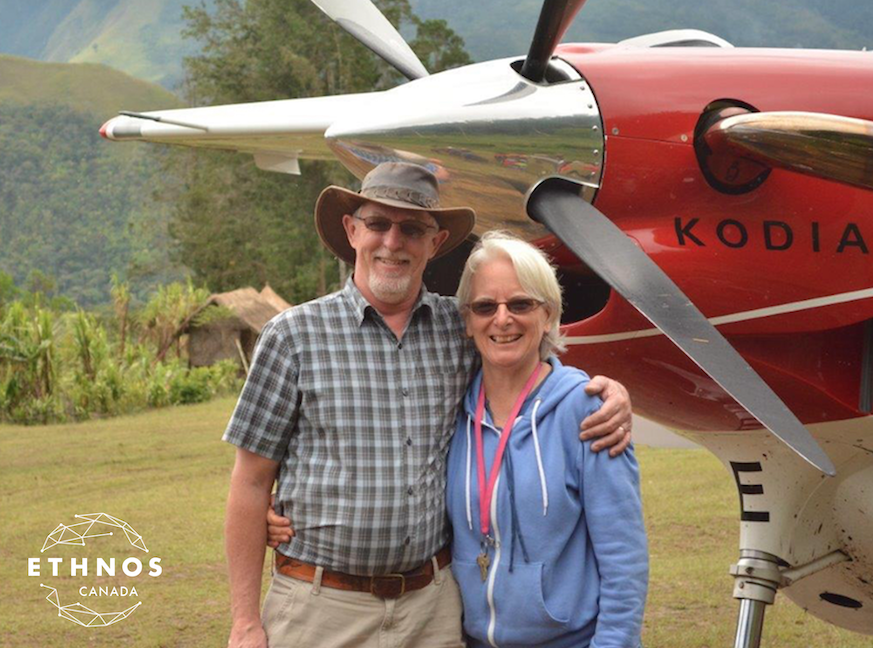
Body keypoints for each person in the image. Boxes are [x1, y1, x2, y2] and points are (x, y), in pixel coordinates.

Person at [224, 162, 633, 648]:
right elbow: (250, 482)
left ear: (436, 243)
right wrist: (246, 622)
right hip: (319, 606)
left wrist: (610, 391)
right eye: (378, 224)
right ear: (352, 231)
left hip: (433, 608)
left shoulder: (460, 327)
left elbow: (530, 357)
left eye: (412, 228)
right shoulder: (292, 337)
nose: (393, 242)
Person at [446, 231, 647, 647]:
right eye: (485, 306)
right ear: (467, 320)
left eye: (520, 304)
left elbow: (623, 561)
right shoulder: (453, 412)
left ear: (549, 313)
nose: (502, 319)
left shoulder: (587, 409)